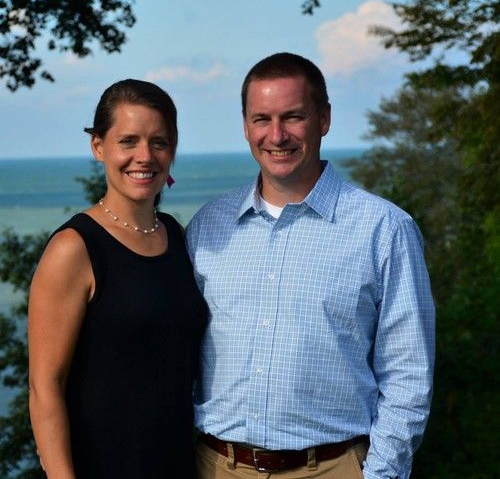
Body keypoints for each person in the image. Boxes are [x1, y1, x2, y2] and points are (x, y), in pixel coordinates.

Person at [186, 53, 435, 478]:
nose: (276, 135)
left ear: (323, 119)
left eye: (293, 117)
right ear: (245, 126)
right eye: (262, 119)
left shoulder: (384, 229)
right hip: (215, 466)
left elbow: (408, 375)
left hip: (332, 468)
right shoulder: (208, 227)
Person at [28, 79, 207, 479]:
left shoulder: (176, 236)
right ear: (98, 147)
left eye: (159, 142)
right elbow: (45, 387)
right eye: (128, 141)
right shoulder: (74, 248)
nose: (145, 156)